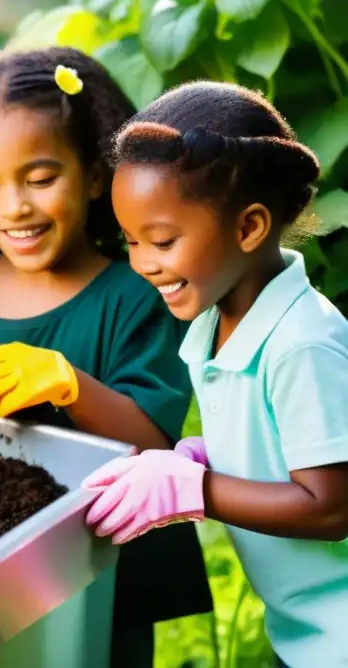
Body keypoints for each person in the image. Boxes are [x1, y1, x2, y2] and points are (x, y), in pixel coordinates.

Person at [0, 47, 212, 666]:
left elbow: (153, 441)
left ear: (97, 175)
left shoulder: (135, 296)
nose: (13, 206)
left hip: (105, 561)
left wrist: (69, 384)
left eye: (41, 179)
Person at [83, 80, 348, 668]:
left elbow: (333, 506)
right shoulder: (215, 321)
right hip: (305, 629)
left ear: (249, 227)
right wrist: (211, 457)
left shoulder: (302, 344)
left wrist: (195, 490)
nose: (143, 263)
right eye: (131, 241)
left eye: (163, 240)